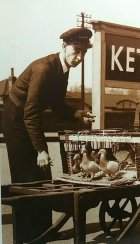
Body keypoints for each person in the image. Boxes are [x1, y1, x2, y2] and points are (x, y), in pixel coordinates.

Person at [3, 27, 95, 183]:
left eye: (84, 52)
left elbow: (57, 105)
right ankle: (27, 208)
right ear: (64, 47)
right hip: (15, 120)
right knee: (26, 177)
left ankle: (42, 207)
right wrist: (41, 150)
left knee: (43, 174)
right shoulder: (44, 69)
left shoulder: (62, 68)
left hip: (29, 118)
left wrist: (77, 114)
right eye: (76, 51)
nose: (79, 57)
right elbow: (30, 113)